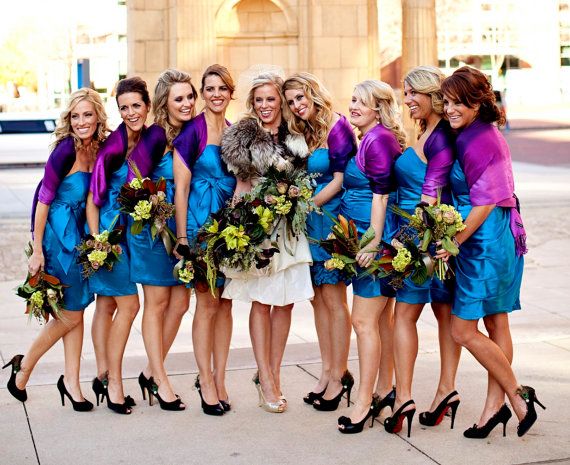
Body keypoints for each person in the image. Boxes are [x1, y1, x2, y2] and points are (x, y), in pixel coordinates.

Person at [438, 66, 544, 438]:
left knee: (462, 329)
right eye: (446, 102)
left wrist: (453, 242)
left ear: (476, 102)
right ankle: (492, 408)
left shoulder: (477, 138)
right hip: (493, 236)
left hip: (486, 241)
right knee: (497, 321)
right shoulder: (477, 132)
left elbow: (483, 203)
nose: (450, 109)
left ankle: (517, 397)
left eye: (457, 102)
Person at [3, 88, 108, 411]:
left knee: (74, 309)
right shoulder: (65, 150)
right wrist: (37, 250)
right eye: (75, 116)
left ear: (98, 116)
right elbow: (43, 199)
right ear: (68, 120)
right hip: (58, 236)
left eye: (87, 115)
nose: (81, 122)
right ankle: (25, 366)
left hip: (79, 232)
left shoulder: (99, 147)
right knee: (71, 313)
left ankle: (72, 383)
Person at [220, 73, 314, 413]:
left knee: (285, 302)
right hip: (258, 225)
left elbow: (305, 183)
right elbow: (242, 187)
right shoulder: (242, 138)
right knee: (261, 302)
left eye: (270, 99)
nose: (264, 106)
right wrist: (234, 227)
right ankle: (266, 376)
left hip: (289, 226)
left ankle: (272, 373)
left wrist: (294, 195)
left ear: (280, 102)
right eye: (258, 100)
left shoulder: (296, 137)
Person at [384, 66, 462, 438]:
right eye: (405, 92)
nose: (408, 99)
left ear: (433, 96)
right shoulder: (429, 132)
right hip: (421, 234)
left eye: (414, 93)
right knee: (439, 314)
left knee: (406, 317)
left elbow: (437, 189)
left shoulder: (443, 137)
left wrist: (420, 239)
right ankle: (443, 389)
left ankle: (408, 396)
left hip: (424, 240)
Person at [283, 72, 356, 411]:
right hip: (306, 224)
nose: (297, 105)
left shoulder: (337, 127)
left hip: (329, 219)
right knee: (317, 300)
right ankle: (327, 370)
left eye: (301, 97)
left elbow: (341, 179)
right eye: (292, 101)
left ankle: (340, 375)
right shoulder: (303, 131)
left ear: (313, 94)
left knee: (334, 299)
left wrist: (308, 204)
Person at [125, 71, 196, 411]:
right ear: (165, 104)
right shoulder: (156, 136)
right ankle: (160, 380)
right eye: (178, 98)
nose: (186, 104)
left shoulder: (195, 132)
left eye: (189, 97)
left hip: (181, 230)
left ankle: (151, 372)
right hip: (151, 231)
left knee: (180, 304)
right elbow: (132, 180)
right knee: (157, 304)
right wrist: (154, 209)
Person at [336, 80, 403, 434]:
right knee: (380, 322)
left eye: (361, 102)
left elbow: (381, 197)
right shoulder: (373, 137)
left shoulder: (377, 140)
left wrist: (371, 245)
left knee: (363, 322)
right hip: (374, 240)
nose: (353, 106)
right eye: (352, 99)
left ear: (378, 108)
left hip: (374, 245)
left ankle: (363, 402)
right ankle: (384, 390)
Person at [172, 64, 237, 416]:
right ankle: (205, 381)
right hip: (199, 225)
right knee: (206, 303)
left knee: (225, 303)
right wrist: (182, 237)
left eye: (221, 88)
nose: (216, 95)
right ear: (203, 93)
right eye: (209, 89)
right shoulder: (190, 134)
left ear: (230, 92)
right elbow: (181, 189)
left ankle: (221, 377)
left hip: (229, 228)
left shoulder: (233, 131)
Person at [86, 78, 144, 415]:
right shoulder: (113, 146)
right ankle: (116, 383)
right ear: (118, 111)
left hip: (129, 231)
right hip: (109, 233)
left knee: (107, 305)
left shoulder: (146, 139)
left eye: (136, 105)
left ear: (146, 106)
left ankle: (102, 374)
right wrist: (99, 241)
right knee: (129, 305)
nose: (130, 112)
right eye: (124, 107)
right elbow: (94, 200)